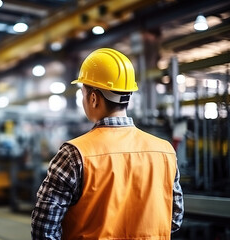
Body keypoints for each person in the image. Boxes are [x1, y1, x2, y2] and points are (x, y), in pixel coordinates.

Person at [31, 48, 184, 239]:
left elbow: (43, 229)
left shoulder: (74, 154)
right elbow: (174, 219)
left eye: (83, 92)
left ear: (93, 98)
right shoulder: (165, 151)